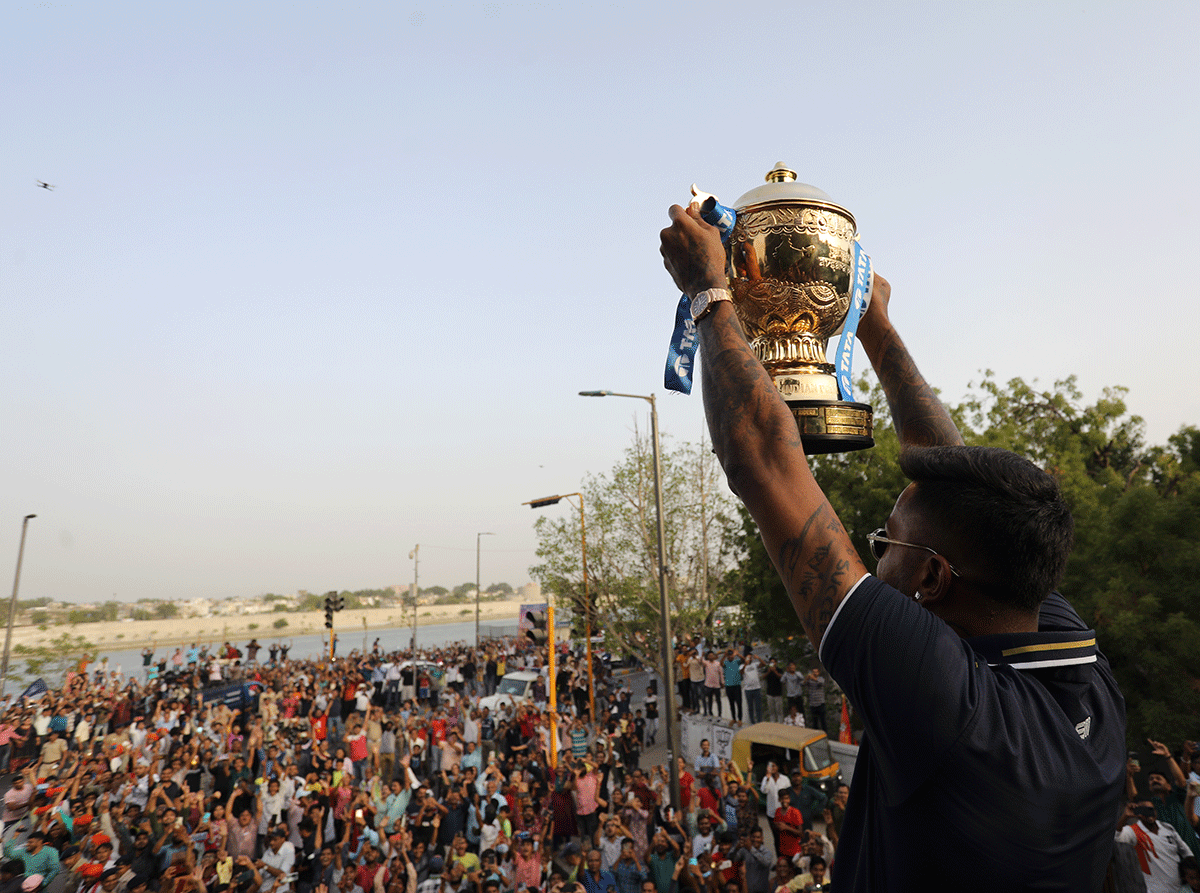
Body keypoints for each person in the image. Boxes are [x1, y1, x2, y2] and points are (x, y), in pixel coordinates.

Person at [660, 203, 1126, 890]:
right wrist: (872, 325)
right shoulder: (1076, 667)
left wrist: (709, 292)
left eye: (886, 543)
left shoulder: (954, 709)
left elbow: (763, 461)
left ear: (933, 579)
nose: (872, 556)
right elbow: (962, 485)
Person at [1116, 800, 1191, 893]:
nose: (1149, 814)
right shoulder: (1134, 831)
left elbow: (1185, 851)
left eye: (1151, 810)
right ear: (1138, 813)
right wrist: (1125, 816)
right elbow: (1116, 836)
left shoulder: (1167, 827)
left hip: (1180, 888)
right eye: (1144, 810)